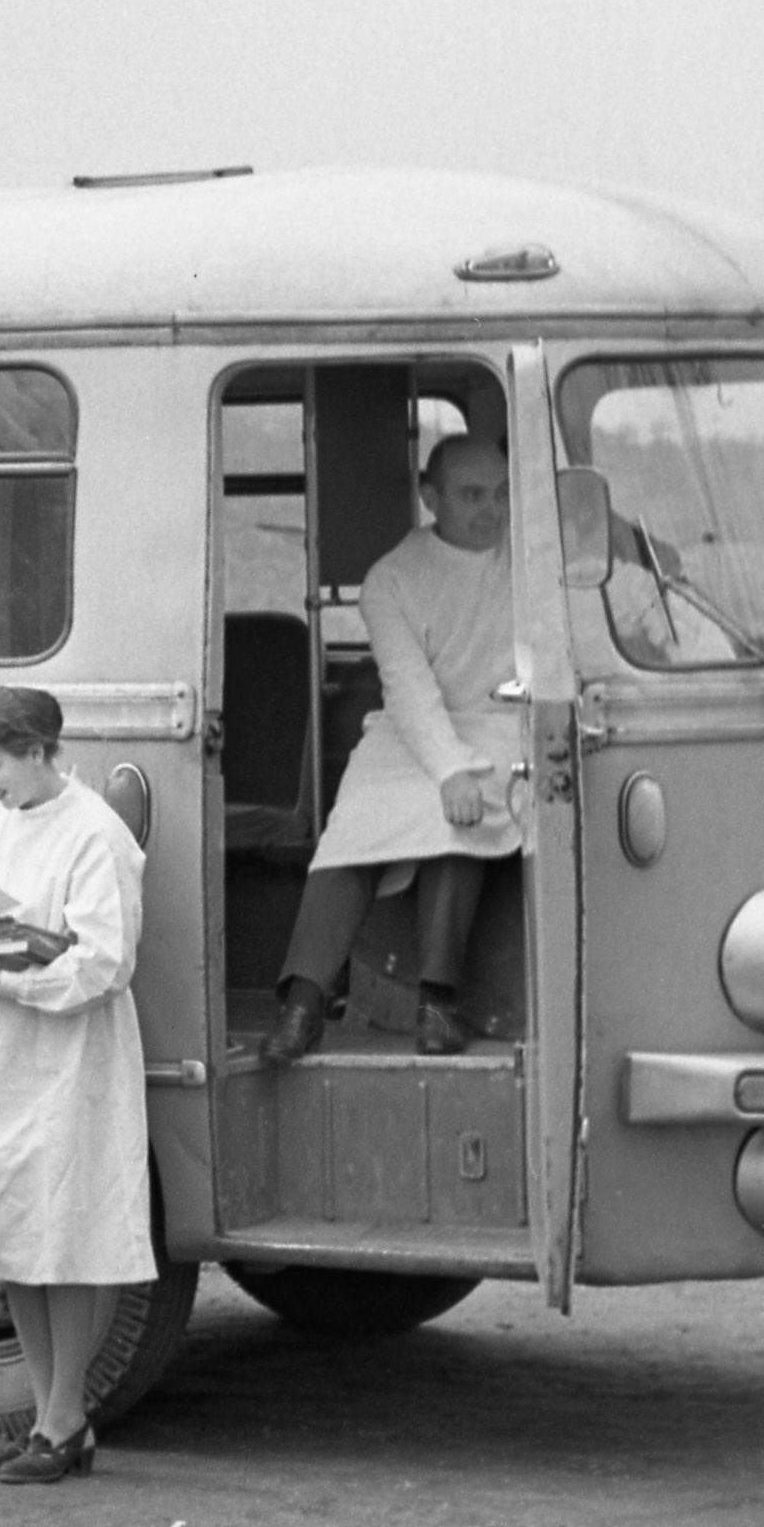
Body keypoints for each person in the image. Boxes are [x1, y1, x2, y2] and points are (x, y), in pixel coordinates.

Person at [0, 685, 151, 1485]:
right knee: (11, 1229)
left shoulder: (94, 833)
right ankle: (46, 1413)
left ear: (40, 752)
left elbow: (106, 961)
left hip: (64, 1052)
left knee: (59, 1232)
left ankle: (66, 1414)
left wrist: (9, 977)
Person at [268, 435, 523, 1060]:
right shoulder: (391, 580)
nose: (490, 510)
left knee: (462, 820)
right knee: (352, 828)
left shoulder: (531, 553)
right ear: (429, 496)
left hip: (500, 724)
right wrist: (448, 769)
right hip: (409, 732)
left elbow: (605, 543)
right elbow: (408, 688)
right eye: (471, 495)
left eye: (501, 493)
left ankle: (436, 1006)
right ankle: (302, 1007)